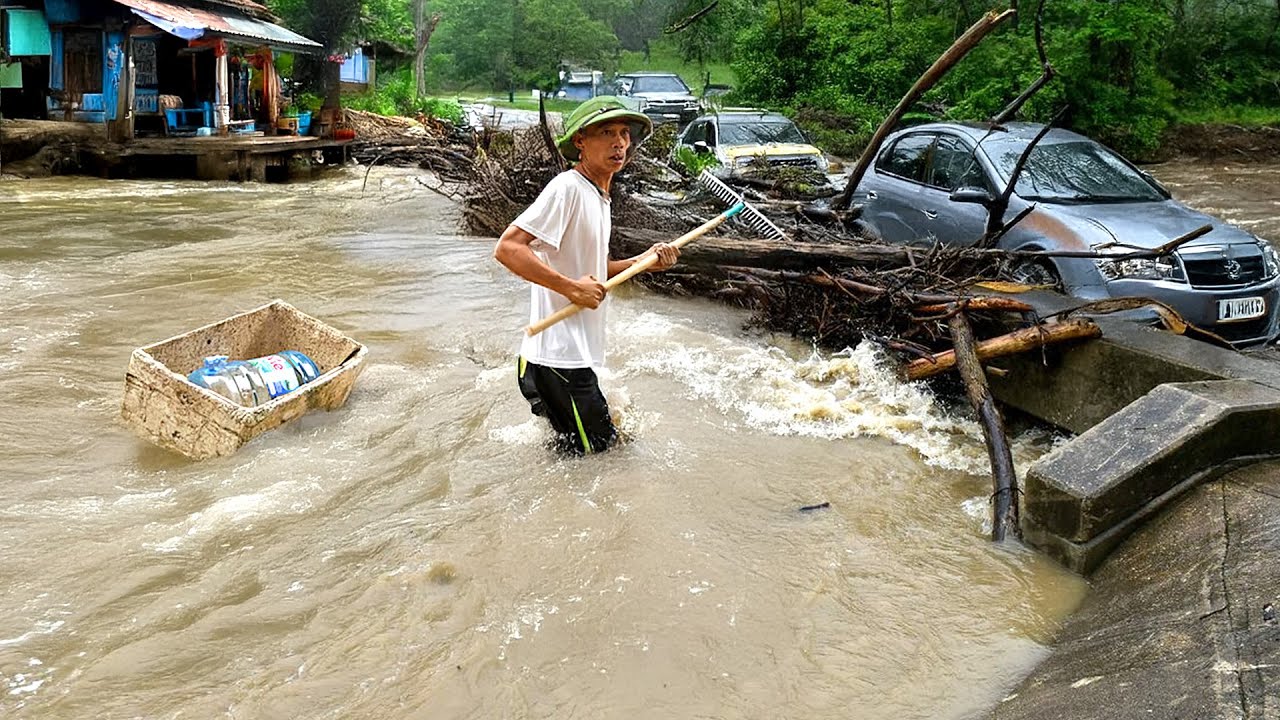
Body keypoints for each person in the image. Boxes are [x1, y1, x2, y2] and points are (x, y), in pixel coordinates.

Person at [493, 96, 680, 454]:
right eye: (607, 132)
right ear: (580, 141)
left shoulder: (599, 195)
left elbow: (594, 271)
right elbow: (508, 248)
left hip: (561, 361)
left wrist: (643, 261)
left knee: (577, 457)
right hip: (558, 363)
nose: (620, 142)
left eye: (625, 133)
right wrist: (570, 289)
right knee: (603, 459)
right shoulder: (568, 188)